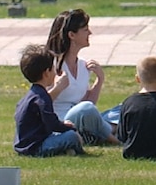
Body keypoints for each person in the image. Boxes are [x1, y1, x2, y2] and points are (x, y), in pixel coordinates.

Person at [44, 8, 117, 145]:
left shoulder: (84, 65)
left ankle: (105, 130)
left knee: (123, 108)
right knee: (86, 109)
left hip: (81, 118)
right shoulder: (51, 66)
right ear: (71, 35)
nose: (90, 33)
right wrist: (58, 88)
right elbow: (38, 103)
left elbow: (88, 103)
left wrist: (99, 80)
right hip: (61, 122)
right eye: (85, 29)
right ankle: (115, 137)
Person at [14, 45, 84, 157]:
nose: (55, 73)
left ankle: (63, 151)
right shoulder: (42, 98)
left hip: (24, 145)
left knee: (61, 135)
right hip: (36, 147)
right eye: (53, 69)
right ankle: (75, 150)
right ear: (46, 73)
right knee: (71, 136)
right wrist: (69, 127)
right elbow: (52, 124)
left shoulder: (30, 96)